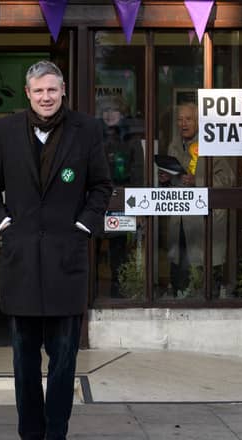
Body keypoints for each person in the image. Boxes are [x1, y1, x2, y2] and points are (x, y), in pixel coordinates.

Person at [0, 60, 112, 440]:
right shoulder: (5, 130)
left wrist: (83, 227)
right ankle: (30, 438)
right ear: (28, 92)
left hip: (65, 262)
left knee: (64, 360)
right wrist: (2, 222)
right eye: (38, 91)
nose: (46, 97)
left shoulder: (86, 129)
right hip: (21, 262)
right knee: (23, 360)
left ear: (63, 89)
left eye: (52, 90)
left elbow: (102, 185)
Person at [159, 102, 233, 297]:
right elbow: (175, 178)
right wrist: (166, 179)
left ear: (199, 121)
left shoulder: (212, 144)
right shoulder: (174, 145)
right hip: (180, 220)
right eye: (180, 119)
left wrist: (197, 181)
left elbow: (228, 179)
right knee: (180, 274)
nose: (183, 123)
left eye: (188, 119)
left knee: (205, 280)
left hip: (204, 224)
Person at [98, 95, 144, 297]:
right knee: (92, 248)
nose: (109, 114)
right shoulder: (95, 137)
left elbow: (138, 175)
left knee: (118, 251)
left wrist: (137, 208)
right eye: (105, 111)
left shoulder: (131, 140)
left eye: (114, 110)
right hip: (96, 202)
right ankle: (92, 291)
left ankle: (118, 292)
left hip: (122, 202)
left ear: (123, 114)